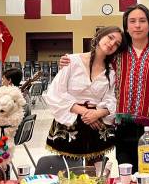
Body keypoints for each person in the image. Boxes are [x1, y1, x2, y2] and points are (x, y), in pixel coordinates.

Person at [60, 5, 149, 170]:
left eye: (142, 21)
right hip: (122, 128)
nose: (137, 25)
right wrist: (70, 61)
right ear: (126, 27)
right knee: (126, 175)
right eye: (132, 21)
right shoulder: (117, 52)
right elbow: (92, 66)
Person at [43, 26, 122, 165]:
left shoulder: (113, 71)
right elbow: (56, 92)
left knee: (95, 172)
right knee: (69, 171)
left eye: (117, 44)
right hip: (70, 120)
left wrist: (98, 114)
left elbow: (113, 98)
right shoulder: (72, 61)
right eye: (110, 38)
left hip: (97, 122)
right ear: (99, 36)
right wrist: (86, 112)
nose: (112, 44)